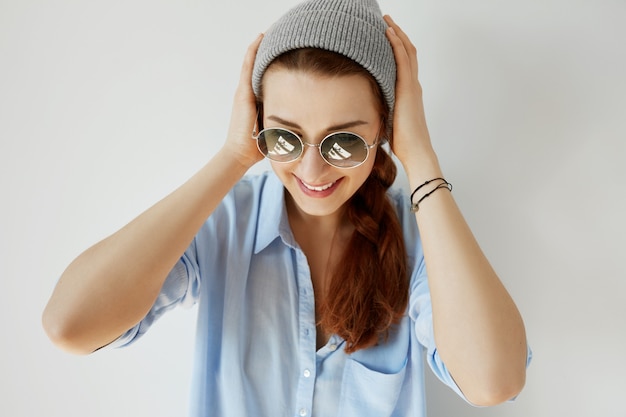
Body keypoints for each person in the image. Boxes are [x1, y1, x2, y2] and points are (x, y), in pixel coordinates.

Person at [42, 0, 531, 416]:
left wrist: (421, 158)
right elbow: (70, 326)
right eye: (285, 137)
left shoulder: (420, 235)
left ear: (384, 127)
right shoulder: (225, 222)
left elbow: (494, 381)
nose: (312, 171)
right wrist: (233, 157)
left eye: (343, 142)